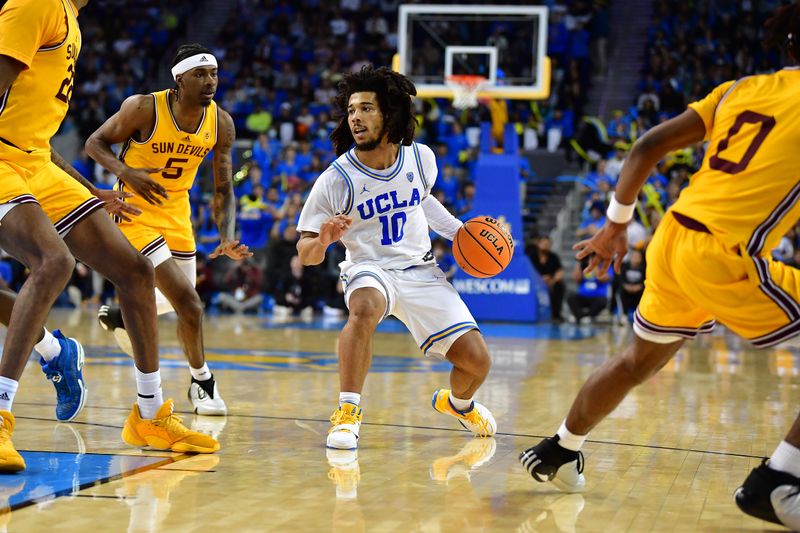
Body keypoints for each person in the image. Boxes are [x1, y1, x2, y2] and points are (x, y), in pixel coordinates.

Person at [519, 4, 800, 529]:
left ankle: (560, 447)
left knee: (637, 363)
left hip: (672, 238)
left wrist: (615, 225)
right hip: (722, 250)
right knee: (638, 362)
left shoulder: (739, 90)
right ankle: (779, 479)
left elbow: (647, 146)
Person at [0, 0, 218, 469]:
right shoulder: (35, 4)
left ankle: (148, 414)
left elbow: (31, 136)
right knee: (53, 262)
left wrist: (91, 188)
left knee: (136, 271)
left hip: (34, 161)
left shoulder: (69, 19)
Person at [296, 66, 496, 452]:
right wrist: (321, 241)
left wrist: (459, 232)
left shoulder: (420, 159)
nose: (355, 117)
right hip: (370, 268)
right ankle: (348, 411)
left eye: (366, 108)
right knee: (365, 307)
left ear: (390, 113)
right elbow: (305, 254)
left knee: (478, 362)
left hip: (421, 270)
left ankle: (459, 405)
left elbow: (421, 199)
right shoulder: (336, 180)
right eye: (351, 110)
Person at [86, 43, 252, 416]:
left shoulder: (220, 122)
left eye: (213, 74)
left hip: (178, 212)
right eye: (200, 75)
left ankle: (119, 317)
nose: (210, 82)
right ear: (179, 79)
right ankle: (203, 382)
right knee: (190, 302)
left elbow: (223, 186)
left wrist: (226, 236)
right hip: (134, 211)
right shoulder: (144, 107)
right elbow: (94, 143)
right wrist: (125, 172)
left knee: (186, 309)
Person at [528, 235, 565, 322]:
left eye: (548, 244)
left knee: (560, 286)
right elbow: (528, 271)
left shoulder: (554, 257)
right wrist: (540, 279)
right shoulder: (532, 257)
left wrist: (553, 280)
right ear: (538, 244)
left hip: (550, 283)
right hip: (535, 283)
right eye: (544, 244)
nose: (546, 246)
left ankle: (556, 315)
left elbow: (560, 271)